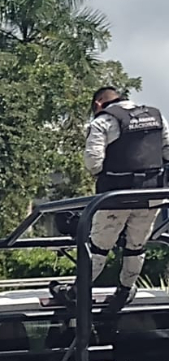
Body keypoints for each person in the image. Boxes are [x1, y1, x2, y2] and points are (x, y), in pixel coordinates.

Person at [59, 87, 169, 312]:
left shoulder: (103, 122)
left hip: (115, 197)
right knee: (136, 246)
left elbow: (93, 163)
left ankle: (78, 291)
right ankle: (125, 290)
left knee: (99, 247)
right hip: (151, 195)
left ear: (99, 103)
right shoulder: (156, 115)